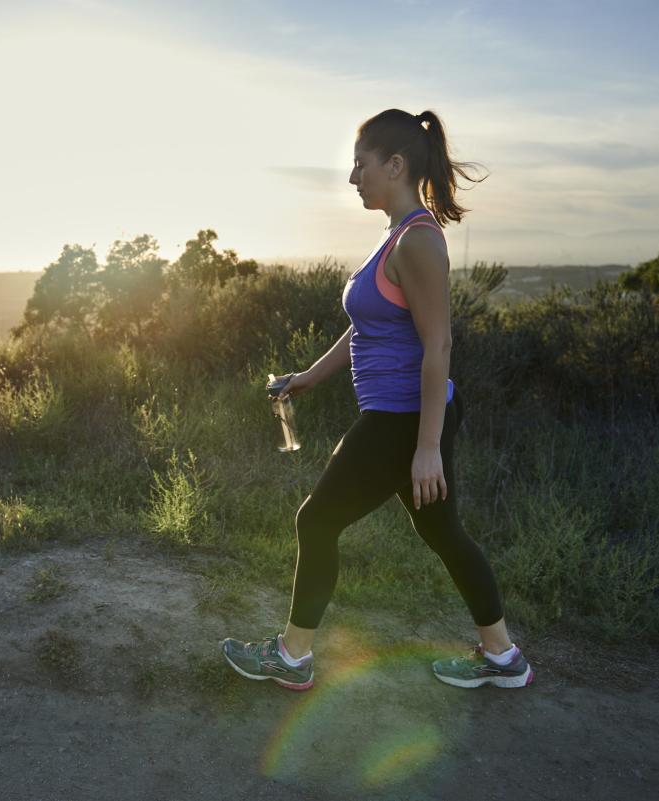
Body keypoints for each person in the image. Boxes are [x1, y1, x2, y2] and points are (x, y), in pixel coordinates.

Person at [221, 108, 534, 691]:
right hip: (402, 416)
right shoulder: (395, 236)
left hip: (404, 418)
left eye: (360, 165)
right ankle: (502, 657)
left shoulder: (418, 241)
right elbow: (367, 326)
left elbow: (438, 345)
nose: (352, 178)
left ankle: (291, 657)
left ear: (394, 165)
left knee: (316, 522)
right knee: (444, 533)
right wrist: (310, 376)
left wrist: (426, 448)